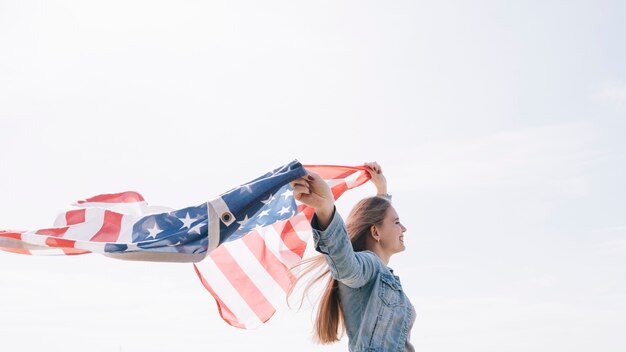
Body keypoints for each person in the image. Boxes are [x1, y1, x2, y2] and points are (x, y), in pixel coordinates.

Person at [289, 162, 416, 352]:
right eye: (397, 222)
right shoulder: (369, 266)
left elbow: (379, 220)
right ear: (375, 232)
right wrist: (326, 208)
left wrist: (382, 191)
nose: (403, 228)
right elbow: (345, 263)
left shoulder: (379, 273)